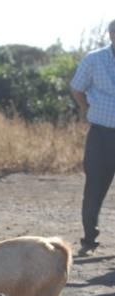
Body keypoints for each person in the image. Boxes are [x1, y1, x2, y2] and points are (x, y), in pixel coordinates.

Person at [70, 20, 115, 256]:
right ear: (111, 35)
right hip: (101, 135)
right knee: (94, 189)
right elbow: (77, 87)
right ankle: (89, 240)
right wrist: (86, 108)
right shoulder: (94, 59)